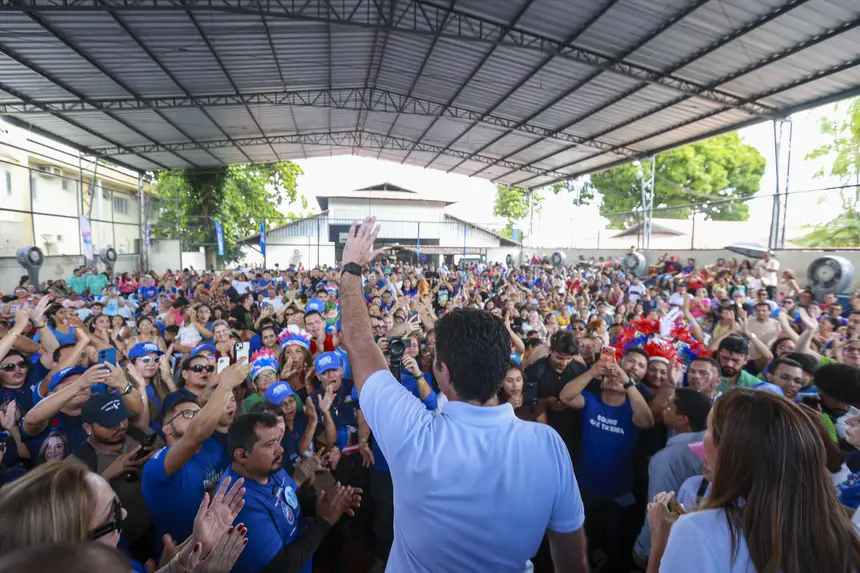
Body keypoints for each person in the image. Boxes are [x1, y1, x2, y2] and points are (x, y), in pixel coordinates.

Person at [339, 217, 589, 573]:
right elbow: (571, 557)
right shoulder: (548, 445)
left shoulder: (414, 434)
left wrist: (352, 267)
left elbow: (360, 343)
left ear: (443, 373)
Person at [647, 388, 860, 572]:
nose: (703, 441)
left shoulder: (698, 530)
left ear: (730, 451)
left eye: (710, 430)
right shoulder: (839, 531)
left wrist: (660, 539)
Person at [220, 412, 360, 573]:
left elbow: (292, 496)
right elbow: (280, 568)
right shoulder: (239, 504)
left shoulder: (268, 467)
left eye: (278, 441)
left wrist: (330, 501)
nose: (280, 449)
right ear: (242, 454)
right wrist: (324, 521)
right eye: (270, 444)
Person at [141, 359, 250, 547]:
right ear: (167, 428)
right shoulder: (157, 464)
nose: (196, 418)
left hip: (227, 543)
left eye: (199, 413)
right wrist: (224, 385)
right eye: (188, 414)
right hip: (182, 556)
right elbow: (194, 436)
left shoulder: (214, 446)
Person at [633, 388, 712, 565]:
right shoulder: (708, 446)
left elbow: (659, 509)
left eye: (669, 406)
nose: (663, 406)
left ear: (683, 420)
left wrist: (644, 548)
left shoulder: (666, 460)